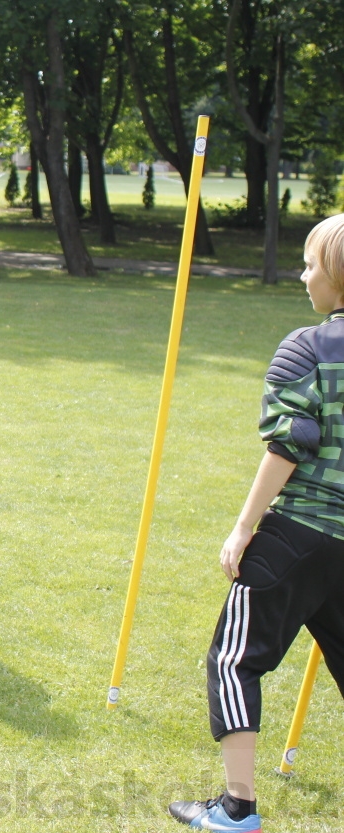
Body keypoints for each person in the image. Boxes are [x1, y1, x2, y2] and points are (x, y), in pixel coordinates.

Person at [170, 212, 344, 833]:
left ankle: (236, 808)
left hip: (296, 535)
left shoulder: (306, 347)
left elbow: (287, 446)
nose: (303, 276)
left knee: (234, 660)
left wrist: (244, 528)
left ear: (337, 276)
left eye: (310, 264)